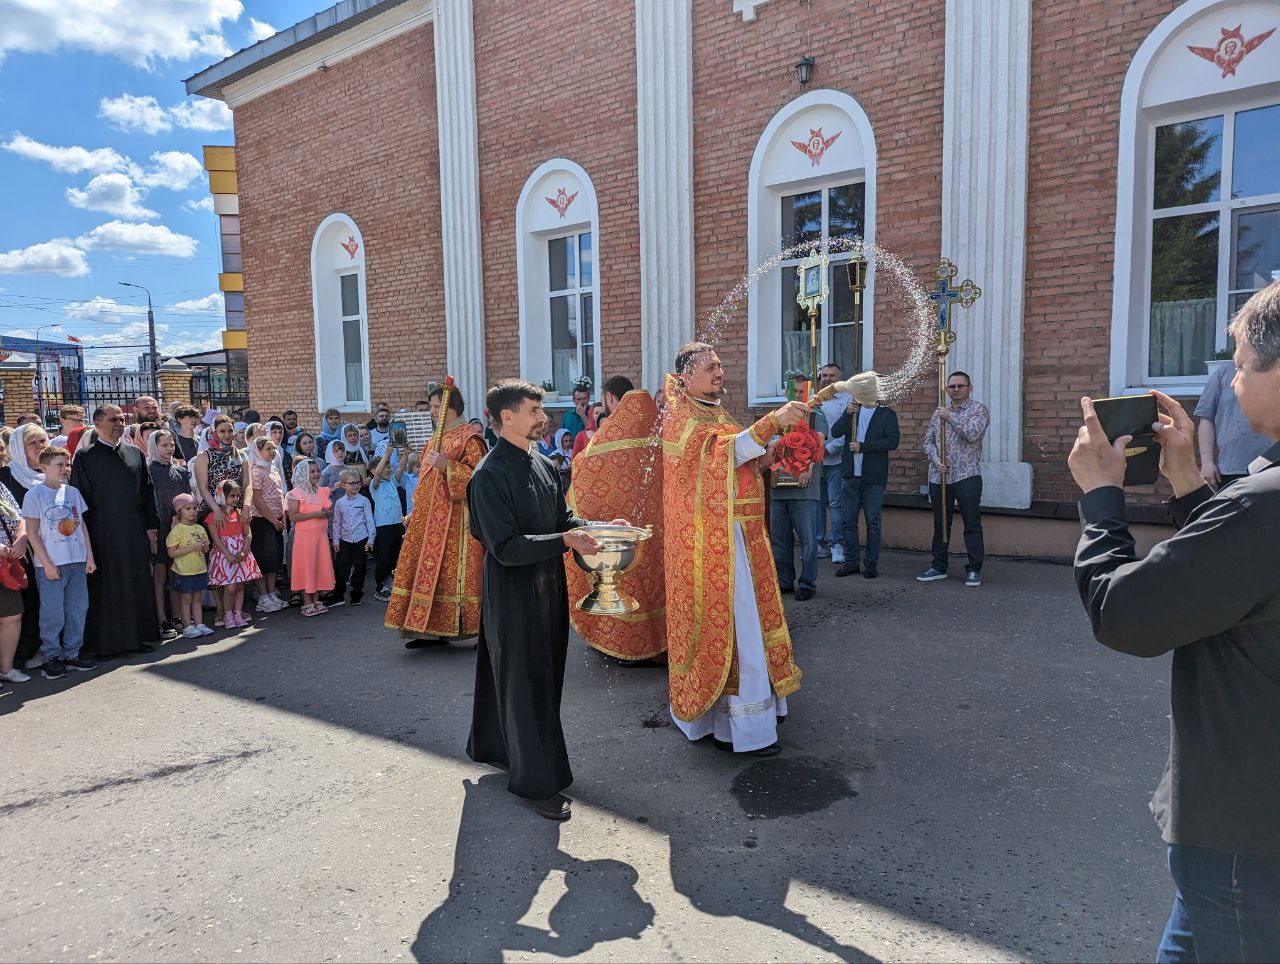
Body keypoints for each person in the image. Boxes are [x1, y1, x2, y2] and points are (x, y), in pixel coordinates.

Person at [1067, 280, 1280, 964]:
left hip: (1245, 836)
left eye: (1243, 362)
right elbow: (1238, 586)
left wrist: (1101, 496)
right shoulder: (1253, 507)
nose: (1231, 377)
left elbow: (1126, 615)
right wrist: (1191, 486)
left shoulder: (1262, 508)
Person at [466, 379, 616, 821]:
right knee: (525, 685)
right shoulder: (488, 475)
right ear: (506, 417)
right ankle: (535, 783)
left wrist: (600, 527)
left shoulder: (545, 464)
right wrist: (566, 539)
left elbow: (563, 518)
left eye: (540, 409)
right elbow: (506, 547)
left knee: (536, 679)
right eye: (533, 410)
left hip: (548, 590)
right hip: (512, 597)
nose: (542, 416)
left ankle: (497, 746)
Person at [660, 342, 805, 755]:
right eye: (710, 367)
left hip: (742, 534)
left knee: (753, 626)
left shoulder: (717, 413)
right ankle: (740, 728)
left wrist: (768, 455)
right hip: (713, 544)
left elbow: (738, 460)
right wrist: (769, 424)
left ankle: (758, 711)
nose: (719, 372)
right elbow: (714, 457)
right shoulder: (680, 418)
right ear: (688, 375)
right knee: (737, 628)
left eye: (720, 365)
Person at [385, 385, 486, 646]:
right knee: (427, 575)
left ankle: (477, 632)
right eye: (430, 407)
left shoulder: (469, 438)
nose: (430, 411)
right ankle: (429, 631)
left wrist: (447, 466)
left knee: (456, 577)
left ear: (448, 408)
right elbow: (424, 480)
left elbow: (480, 480)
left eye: (434, 407)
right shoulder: (435, 438)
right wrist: (416, 509)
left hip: (456, 524)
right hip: (427, 519)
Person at [72, 405, 161, 657]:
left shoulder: (134, 453)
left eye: (122, 419)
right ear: (97, 423)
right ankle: (107, 644)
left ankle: (137, 638)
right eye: (113, 419)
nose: (119, 423)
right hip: (102, 532)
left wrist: (151, 527)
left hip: (134, 530)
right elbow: (81, 498)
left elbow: (147, 491)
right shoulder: (86, 456)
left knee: (136, 582)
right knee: (108, 586)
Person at [22, 445, 97, 680]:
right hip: (52, 564)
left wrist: (89, 557)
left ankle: (72, 653)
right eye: (59, 465)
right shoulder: (35, 494)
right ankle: (51, 657)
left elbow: (81, 525)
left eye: (67, 464)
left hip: (76, 561)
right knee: (53, 613)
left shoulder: (72, 492)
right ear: (44, 467)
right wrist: (46, 563)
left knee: (77, 608)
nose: (65, 469)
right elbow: (32, 533)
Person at [918, 371, 989, 587]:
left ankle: (974, 569)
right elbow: (928, 442)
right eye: (952, 386)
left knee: (972, 523)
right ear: (947, 389)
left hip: (966, 475)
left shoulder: (978, 410)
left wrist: (950, 416)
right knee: (941, 524)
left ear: (970, 388)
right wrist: (935, 458)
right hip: (939, 476)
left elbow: (972, 434)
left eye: (960, 386)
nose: (956, 389)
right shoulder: (938, 412)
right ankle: (939, 566)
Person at [831, 395, 900, 580]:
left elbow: (892, 441)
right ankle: (851, 562)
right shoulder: (853, 412)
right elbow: (836, 432)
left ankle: (871, 563)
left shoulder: (886, 414)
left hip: (873, 477)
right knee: (848, 521)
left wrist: (864, 446)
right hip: (850, 476)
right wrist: (847, 413)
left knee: (873, 522)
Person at [0, 422, 47, 668]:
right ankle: (23, 653)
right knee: (27, 602)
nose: (40, 446)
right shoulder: (6, 476)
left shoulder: (51, 472)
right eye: (33, 442)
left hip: (52, 549)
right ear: (19, 447)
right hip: (20, 553)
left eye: (42, 441)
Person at [768, 411, 827, 600]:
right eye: (794, 391)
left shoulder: (816, 416)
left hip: (804, 489)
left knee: (808, 540)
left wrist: (807, 467)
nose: (798, 394)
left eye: (802, 391)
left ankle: (807, 583)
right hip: (778, 489)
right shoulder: (778, 417)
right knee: (779, 539)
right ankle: (785, 580)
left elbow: (819, 445)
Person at [1194, 358, 1271, 489]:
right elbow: (1206, 419)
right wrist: (1206, 462)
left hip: (1273, 468)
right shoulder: (1223, 372)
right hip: (1232, 470)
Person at [146, 429, 190, 641]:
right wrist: (151, 532)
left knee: (176, 574)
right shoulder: (148, 470)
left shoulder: (180, 471)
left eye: (171, 445)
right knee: (160, 575)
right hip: (159, 528)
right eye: (164, 445)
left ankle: (178, 616)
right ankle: (161, 618)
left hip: (178, 528)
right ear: (155, 447)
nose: (169, 449)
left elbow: (186, 500)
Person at [205, 479, 261, 629]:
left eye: (238, 496)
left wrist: (244, 551)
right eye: (232, 496)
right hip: (225, 555)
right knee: (230, 587)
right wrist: (228, 555)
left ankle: (238, 613)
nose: (236, 499)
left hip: (240, 553)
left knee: (240, 586)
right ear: (222, 495)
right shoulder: (213, 516)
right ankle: (227, 614)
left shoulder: (241, 513)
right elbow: (215, 538)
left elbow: (248, 534)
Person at [288, 460, 334, 616]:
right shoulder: (296, 493)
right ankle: (307, 602)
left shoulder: (321, 491)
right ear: (303, 474)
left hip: (320, 537)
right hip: (305, 539)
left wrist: (327, 513)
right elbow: (293, 516)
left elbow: (329, 509)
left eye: (317, 471)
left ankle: (316, 600)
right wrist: (315, 514)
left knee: (319, 567)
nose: (316, 474)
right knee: (307, 568)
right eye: (312, 471)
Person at [813, 364, 849, 563]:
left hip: (835, 460)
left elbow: (850, 430)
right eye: (824, 375)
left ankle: (836, 544)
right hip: (815, 462)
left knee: (835, 503)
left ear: (840, 377)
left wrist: (829, 448)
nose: (827, 379)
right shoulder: (814, 399)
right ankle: (819, 544)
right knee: (818, 504)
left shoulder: (847, 399)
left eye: (831, 375)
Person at [248, 436, 288, 613]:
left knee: (274, 560)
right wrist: (273, 519)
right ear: (258, 451)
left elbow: (280, 495)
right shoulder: (256, 471)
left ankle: (271, 594)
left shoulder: (272, 468)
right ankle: (263, 597)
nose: (272, 452)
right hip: (262, 521)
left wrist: (283, 518)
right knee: (263, 560)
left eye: (273, 448)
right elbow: (257, 500)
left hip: (277, 520)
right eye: (268, 449)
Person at [166, 493, 212, 639]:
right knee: (186, 599)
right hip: (183, 571)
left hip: (199, 569)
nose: (192, 511)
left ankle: (199, 624)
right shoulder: (177, 530)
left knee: (197, 598)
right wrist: (192, 548)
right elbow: (171, 553)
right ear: (179, 511)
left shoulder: (200, 528)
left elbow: (207, 549)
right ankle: (187, 626)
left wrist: (204, 547)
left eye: (194, 508)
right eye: (187, 508)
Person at [327, 467, 374, 607]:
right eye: (351, 483)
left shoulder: (364, 501)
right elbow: (337, 523)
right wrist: (336, 540)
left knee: (360, 567)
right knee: (341, 568)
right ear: (343, 485)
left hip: (361, 539)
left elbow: (370, 521)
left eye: (358, 482)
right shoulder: (340, 503)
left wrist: (371, 539)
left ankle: (356, 594)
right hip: (345, 540)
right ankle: (339, 595)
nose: (355, 485)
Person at [0, 479, 30, 690]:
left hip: (6, 563)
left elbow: (19, 517)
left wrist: (21, 538)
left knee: (11, 615)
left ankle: (6, 669)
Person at [194, 416, 251, 521]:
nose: (227, 435)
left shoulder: (241, 455)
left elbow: (247, 485)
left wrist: (246, 507)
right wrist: (217, 510)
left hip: (236, 511)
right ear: (214, 433)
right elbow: (203, 488)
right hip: (212, 512)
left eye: (230, 431)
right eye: (222, 431)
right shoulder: (205, 456)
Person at [369, 446, 405, 602]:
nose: (388, 469)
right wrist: (387, 454)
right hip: (383, 527)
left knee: (395, 557)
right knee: (383, 558)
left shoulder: (392, 480)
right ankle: (380, 587)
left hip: (398, 524)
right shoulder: (374, 484)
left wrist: (407, 453)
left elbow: (401, 469)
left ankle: (391, 584)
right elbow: (378, 473)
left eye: (389, 466)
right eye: (385, 466)